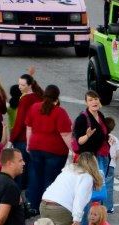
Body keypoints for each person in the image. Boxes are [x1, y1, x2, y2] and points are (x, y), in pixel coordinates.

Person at [25, 85, 73, 214]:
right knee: (50, 179)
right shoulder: (59, 112)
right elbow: (65, 134)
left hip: (35, 147)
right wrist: (74, 150)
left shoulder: (34, 107)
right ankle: (48, 207)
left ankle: (33, 206)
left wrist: (28, 144)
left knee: (35, 177)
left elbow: (29, 128)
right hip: (55, 150)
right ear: (56, 98)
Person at [10, 71, 44, 191]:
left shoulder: (25, 99)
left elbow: (20, 122)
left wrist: (12, 138)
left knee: (21, 170)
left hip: (23, 139)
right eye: (19, 84)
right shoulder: (39, 97)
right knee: (33, 169)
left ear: (30, 85)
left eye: (23, 85)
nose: (20, 87)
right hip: (37, 139)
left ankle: (20, 194)